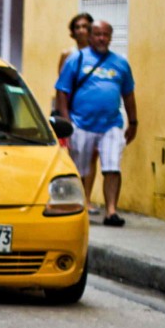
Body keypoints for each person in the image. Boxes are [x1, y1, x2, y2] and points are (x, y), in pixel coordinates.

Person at [55, 20, 137, 227]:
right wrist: (67, 121)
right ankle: (80, 206)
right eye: (98, 34)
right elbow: (62, 91)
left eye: (106, 34)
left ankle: (111, 211)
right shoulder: (76, 59)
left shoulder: (120, 63)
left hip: (111, 124)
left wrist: (133, 121)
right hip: (81, 123)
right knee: (81, 169)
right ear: (90, 37)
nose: (102, 38)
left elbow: (128, 94)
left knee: (112, 167)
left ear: (110, 37)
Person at [57, 12, 99, 212]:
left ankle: (87, 198)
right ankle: (74, 196)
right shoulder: (68, 54)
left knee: (91, 156)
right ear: (72, 32)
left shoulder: (99, 55)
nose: (82, 30)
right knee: (74, 154)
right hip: (74, 112)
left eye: (86, 26)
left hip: (93, 114)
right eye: (78, 27)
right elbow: (61, 85)